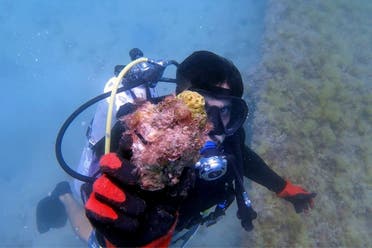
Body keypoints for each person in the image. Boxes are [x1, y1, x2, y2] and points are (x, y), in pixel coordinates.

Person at [38, 50, 316, 247]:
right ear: (177, 101)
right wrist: (117, 240)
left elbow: (242, 155)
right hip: (122, 224)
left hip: (178, 227)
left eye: (227, 112)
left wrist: (284, 188)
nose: (214, 128)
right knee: (88, 236)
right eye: (204, 109)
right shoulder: (137, 138)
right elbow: (108, 192)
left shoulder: (228, 133)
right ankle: (64, 196)